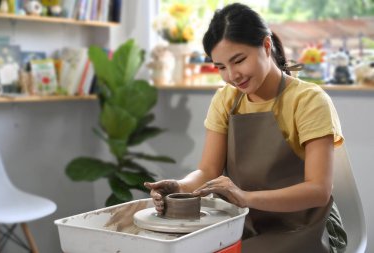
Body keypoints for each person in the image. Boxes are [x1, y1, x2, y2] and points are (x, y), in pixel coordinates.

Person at [145, 3, 347, 253]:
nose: (232, 75)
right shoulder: (226, 99)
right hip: (243, 222)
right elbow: (208, 170)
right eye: (220, 67)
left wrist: (245, 198)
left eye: (238, 60)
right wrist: (180, 186)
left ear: (265, 46)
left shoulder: (308, 101)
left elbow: (318, 191)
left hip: (304, 226)